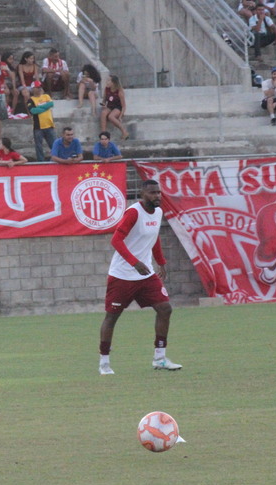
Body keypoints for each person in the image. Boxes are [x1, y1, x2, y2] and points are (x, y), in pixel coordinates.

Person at [98, 179, 182, 375]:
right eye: (152, 193)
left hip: (145, 275)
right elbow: (116, 239)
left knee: (165, 309)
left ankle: (160, 359)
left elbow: (154, 238)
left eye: (158, 193)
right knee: (112, 317)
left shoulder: (159, 212)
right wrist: (134, 262)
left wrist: (161, 262)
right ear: (143, 194)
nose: (157, 196)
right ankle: (104, 363)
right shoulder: (134, 212)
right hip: (122, 275)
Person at [26, 80, 55, 162]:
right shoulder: (30, 100)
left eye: (40, 87)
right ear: (33, 89)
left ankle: (56, 159)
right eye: (37, 87)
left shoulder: (46, 96)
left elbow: (51, 104)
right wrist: (45, 107)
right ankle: (40, 162)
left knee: (54, 145)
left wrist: (39, 108)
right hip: (38, 126)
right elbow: (33, 111)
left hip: (49, 124)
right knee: (39, 146)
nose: (39, 89)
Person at [100, 75, 129, 140]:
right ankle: (103, 134)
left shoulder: (119, 91)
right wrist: (103, 104)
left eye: (108, 81)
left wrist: (120, 116)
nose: (107, 82)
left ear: (113, 83)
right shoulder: (106, 89)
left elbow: (123, 106)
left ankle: (124, 131)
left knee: (111, 116)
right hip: (109, 106)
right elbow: (104, 100)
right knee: (103, 113)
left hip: (118, 107)